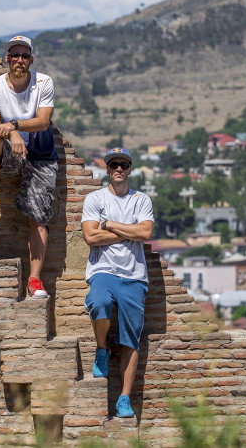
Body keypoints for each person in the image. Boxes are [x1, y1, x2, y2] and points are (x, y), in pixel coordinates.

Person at [0, 35, 57, 299]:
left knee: (39, 218)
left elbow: (43, 122)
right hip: (12, 151)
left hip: (41, 155)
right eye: (15, 55)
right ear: (7, 60)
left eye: (24, 56)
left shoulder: (43, 82)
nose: (19, 60)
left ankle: (34, 280)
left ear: (31, 60)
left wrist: (12, 126)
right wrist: (12, 135)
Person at [80, 147, 154, 419]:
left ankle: (124, 399)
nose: (119, 169)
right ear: (107, 169)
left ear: (130, 168)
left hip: (134, 276)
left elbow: (145, 232)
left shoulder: (141, 200)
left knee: (130, 339)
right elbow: (91, 238)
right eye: (113, 165)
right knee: (98, 303)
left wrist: (109, 225)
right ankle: (101, 349)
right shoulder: (94, 198)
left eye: (123, 164)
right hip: (104, 270)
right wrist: (128, 233)